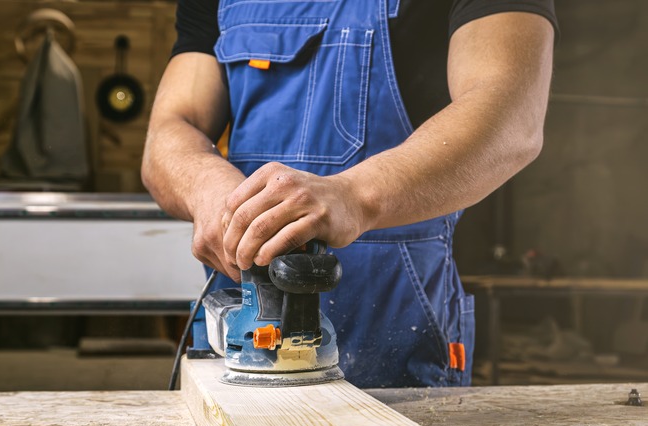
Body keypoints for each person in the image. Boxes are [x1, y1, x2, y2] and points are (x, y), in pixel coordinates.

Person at [142, 0, 558, 388]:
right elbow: (172, 126)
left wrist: (353, 196)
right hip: (247, 328)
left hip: (397, 326)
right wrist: (208, 188)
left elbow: (512, 113)